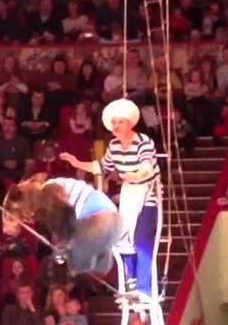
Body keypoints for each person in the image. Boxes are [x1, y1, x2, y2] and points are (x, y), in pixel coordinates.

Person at [58, 97, 161, 295]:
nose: (116, 126)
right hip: (129, 193)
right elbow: (101, 167)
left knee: (141, 242)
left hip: (147, 194)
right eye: (113, 123)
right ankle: (131, 279)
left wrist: (129, 176)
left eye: (120, 122)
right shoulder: (114, 146)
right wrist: (77, 162)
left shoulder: (143, 142)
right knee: (121, 238)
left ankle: (144, 288)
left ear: (129, 123)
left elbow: (146, 169)